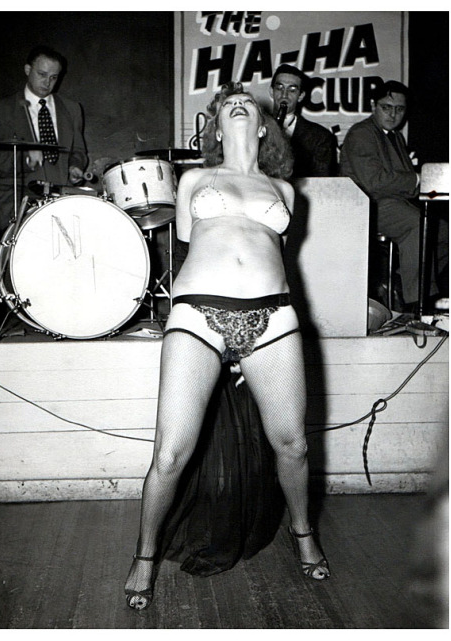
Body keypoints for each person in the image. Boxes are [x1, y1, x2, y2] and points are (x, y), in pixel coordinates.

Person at [124, 81, 330, 612]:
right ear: (216, 127)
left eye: (246, 104)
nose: (236, 106)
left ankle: (302, 531)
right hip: (199, 314)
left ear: (265, 125)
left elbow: (278, 253)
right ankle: (144, 554)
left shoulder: (286, 192)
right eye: (225, 107)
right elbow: (192, 239)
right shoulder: (194, 178)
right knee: (170, 454)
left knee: (294, 445)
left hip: (273, 317)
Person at [340, 80, 448, 309]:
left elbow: (400, 180)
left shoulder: (395, 136)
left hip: (392, 203)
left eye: (399, 109)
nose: (392, 114)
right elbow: (375, 182)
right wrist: (417, 179)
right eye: (386, 107)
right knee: (418, 225)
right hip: (368, 205)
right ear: (373, 105)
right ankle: (416, 301)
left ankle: (401, 280)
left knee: (446, 234)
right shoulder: (361, 133)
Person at [0, 45, 88, 231]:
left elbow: (79, 151)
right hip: (17, 202)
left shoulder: (72, 108)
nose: (47, 83)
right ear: (28, 70)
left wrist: (75, 166)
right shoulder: (1, 110)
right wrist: (27, 159)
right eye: (42, 74)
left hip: (60, 201)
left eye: (53, 77)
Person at [269, 64, 337, 178]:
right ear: (271, 91)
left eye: (292, 90)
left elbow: (320, 183)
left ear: (301, 96)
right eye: (279, 88)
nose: (284, 95)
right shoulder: (254, 128)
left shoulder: (320, 137)